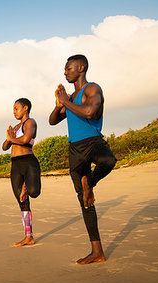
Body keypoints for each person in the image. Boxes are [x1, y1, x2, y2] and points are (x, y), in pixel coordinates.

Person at [49, 54, 117, 264]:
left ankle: (91, 181)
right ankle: (97, 251)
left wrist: (67, 102)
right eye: (65, 69)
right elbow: (52, 121)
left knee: (108, 161)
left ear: (81, 67)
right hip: (75, 149)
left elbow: (90, 112)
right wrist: (59, 104)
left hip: (93, 142)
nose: (65, 72)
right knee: (85, 203)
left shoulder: (92, 89)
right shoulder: (69, 98)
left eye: (68, 68)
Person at [2, 98, 41, 247]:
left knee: (34, 191)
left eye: (16, 109)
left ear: (25, 108)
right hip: (15, 165)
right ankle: (28, 236)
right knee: (22, 202)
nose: (14, 112)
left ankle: (27, 185)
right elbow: (5, 146)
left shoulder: (30, 123)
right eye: (13, 109)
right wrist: (9, 138)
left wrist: (13, 138)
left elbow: (25, 139)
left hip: (28, 161)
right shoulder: (16, 126)